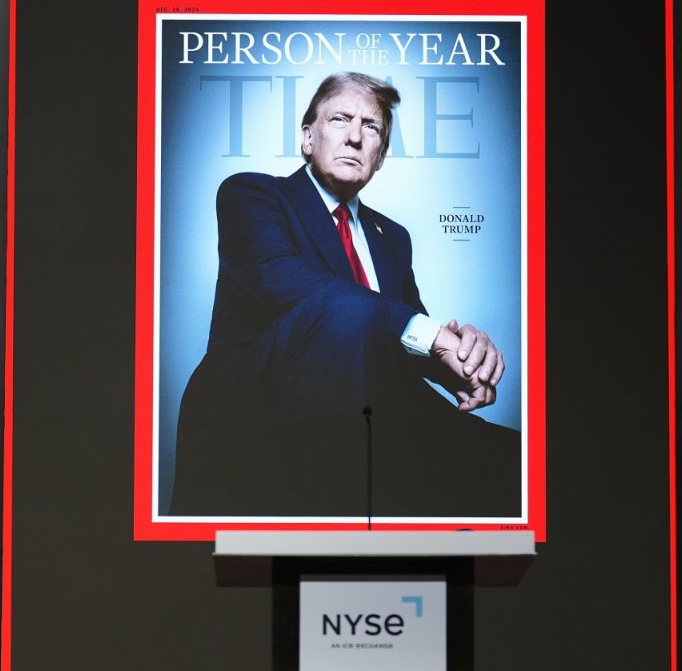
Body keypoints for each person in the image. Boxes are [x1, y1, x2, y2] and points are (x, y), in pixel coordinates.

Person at [169, 72, 520, 517]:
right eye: (340, 119)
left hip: (380, 415)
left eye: (371, 127)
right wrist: (431, 334)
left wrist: (465, 360)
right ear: (307, 137)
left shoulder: (393, 238)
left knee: (520, 463)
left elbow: (404, 338)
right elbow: (277, 280)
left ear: (381, 156)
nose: (355, 136)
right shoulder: (253, 194)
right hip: (259, 409)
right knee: (345, 306)